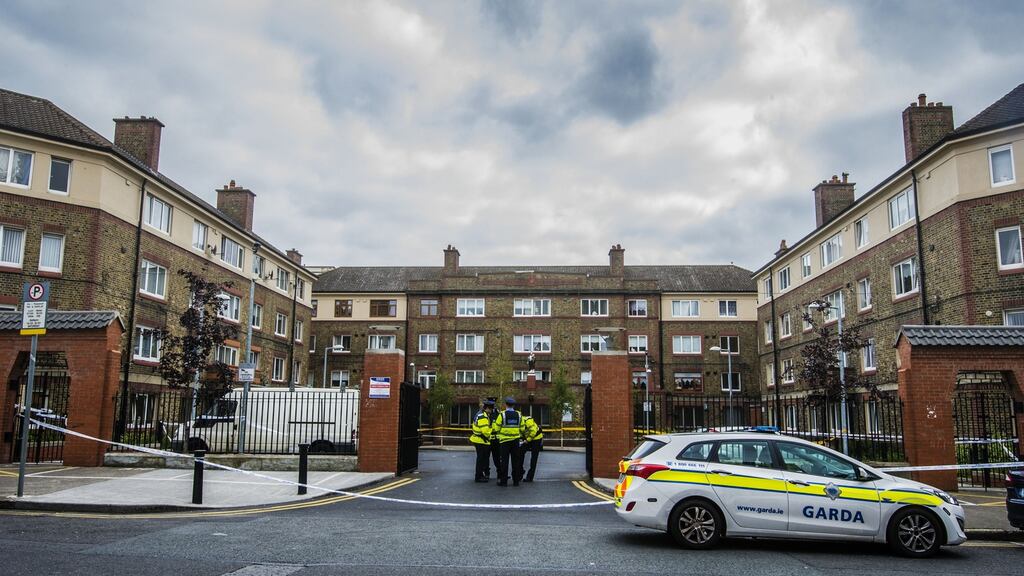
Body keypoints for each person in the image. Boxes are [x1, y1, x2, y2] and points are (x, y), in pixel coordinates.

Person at [491, 397, 524, 486]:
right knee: (515, 461)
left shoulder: (502, 415)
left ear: (506, 404)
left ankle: (503, 481)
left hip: (504, 442)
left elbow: (496, 428)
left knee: (504, 462)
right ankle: (516, 481)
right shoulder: (519, 415)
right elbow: (522, 428)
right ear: (513, 405)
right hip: (515, 442)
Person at [470, 399, 495, 482]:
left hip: (479, 439)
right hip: (480, 440)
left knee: (481, 459)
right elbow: (486, 432)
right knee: (481, 459)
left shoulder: (481, 413)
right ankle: (478, 476)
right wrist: (492, 430)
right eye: (491, 409)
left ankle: (480, 475)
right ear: (487, 408)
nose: (491, 411)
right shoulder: (483, 416)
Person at [519, 413, 543, 482]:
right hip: (528, 438)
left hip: (537, 438)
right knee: (520, 453)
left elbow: (533, 431)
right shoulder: (518, 423)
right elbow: (520, 433)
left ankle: (530, 477)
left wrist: (527, 440)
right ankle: (520, 472)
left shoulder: (527, 420)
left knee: (534, 458)